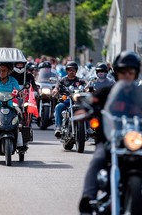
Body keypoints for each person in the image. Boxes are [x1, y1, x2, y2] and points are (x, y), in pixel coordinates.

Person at [79, 51, 141, 214]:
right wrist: (86, 109)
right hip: (110, 140)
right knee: (98, 158)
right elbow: (91, 101)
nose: (127, 75)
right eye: (123, 72)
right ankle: (88, 198)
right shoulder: (106, 92)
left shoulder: (139, 94)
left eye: (131, 72)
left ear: (136, 74)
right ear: (117, 73)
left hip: (135, 141)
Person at [52, 61, 86, 138]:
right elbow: (56, 87)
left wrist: (89, 89)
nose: (71, 72)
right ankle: (58, 127)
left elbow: (86, 86)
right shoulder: (62, 80)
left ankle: (88, 128)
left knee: (87, 109)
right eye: (69, 70)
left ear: (76, 71)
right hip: (66, 101)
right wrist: (55, 90)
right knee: (58, 107)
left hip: (78, 101)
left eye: (73, 70)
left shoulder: (80, 81)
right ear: (67, 71)